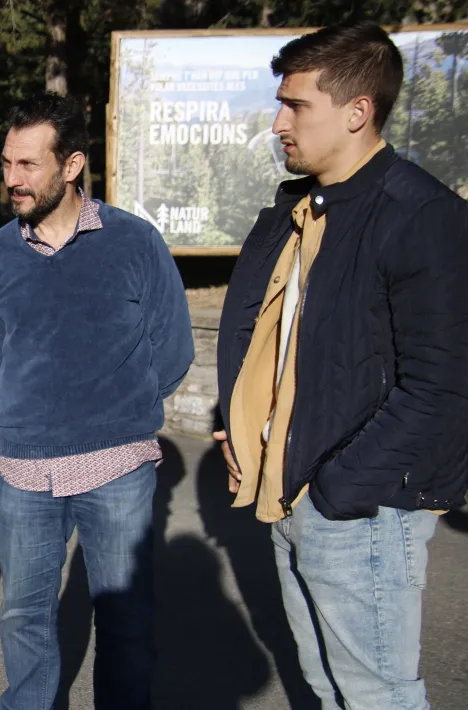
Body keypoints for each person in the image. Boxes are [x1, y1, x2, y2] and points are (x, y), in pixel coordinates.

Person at [214, 21, 468, 709]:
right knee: (329, 691)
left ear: (358, 111)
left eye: (296, 106)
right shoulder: (297, 210)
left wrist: (337, 489)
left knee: (378, 697)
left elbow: (443, 387)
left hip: (360, 509)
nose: (278, 123)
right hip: (294, 489)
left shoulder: (422, 215)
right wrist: (245, 427)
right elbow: (274, 341)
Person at [0, 94, 194, 710]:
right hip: (24, 468)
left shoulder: (134, 242)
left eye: (28, 164)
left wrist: (117, 412)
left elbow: (173, 349)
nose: (12, 178)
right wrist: (34, 408)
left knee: (125, 622)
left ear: (71, 165)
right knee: (23, 618)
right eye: (7, 163)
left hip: (117, 464)